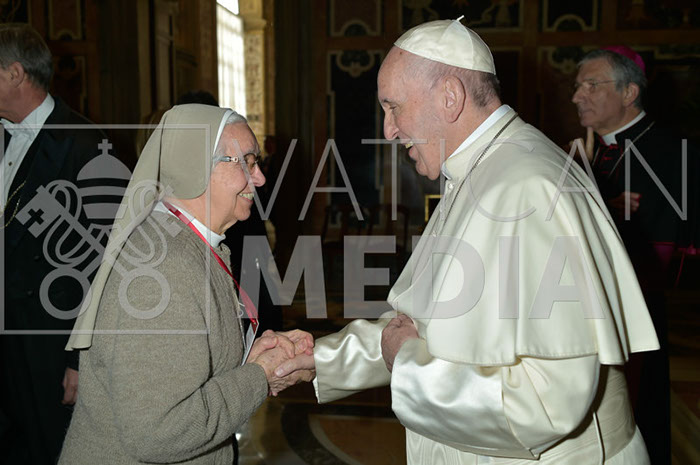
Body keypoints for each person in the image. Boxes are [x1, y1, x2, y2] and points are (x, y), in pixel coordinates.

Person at [276, 19, 661, 464]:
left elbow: (546, 404)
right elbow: (420, 326)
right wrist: (319, 360)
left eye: (394, 107)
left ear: (450, 96)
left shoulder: (526, 188)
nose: (388, 130)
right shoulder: (483, 169)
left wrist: (407, 364)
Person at [58, 104, 315, 464]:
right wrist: (260, 376)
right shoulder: (162, 269)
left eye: (256, 162)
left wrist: (255, 359)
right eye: (245, 162)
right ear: (196, 166)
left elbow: (193, 367)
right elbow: (160, 432)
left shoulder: (188, 244)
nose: (259, 178)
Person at [571, 46, 699, 465]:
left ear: (629, 92)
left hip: (638, 308)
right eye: (578, 86)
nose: (577, 96)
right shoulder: (587, 152)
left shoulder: (673, 151)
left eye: (591, 85)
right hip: (587, 307)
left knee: (637, 415)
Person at [0, 23, 110, 464]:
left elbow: (104, 265)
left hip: (50, 347)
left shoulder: (85, 145)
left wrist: (81, 360)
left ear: (15, 73)